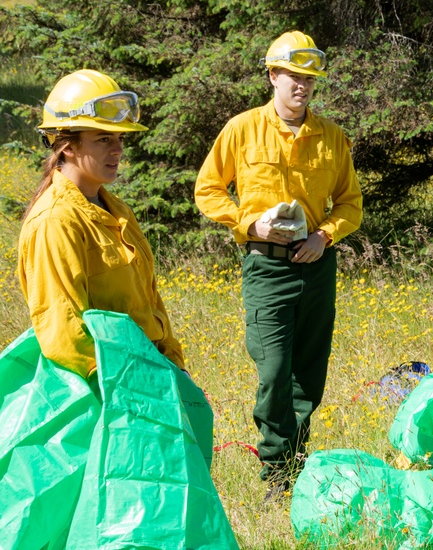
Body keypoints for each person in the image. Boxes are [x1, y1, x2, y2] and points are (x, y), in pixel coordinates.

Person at [195, 31, 363, 499]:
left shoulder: (332, 137)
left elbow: (351, 203)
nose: (302, 86)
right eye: (293, 76)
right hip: (266, 269)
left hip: (316, 268)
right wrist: (250, 224)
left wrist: (325, 234)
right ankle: (275, 471)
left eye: (309, 78)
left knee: (309, 373)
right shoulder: (242, 128)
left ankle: (295, 467)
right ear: (272, 76)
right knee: (273, 371)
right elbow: (207, 189)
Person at [18, 69, 185, 378]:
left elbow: (150, 303)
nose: (118, 149)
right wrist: (133, 386)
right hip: (114, 392)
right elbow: (65, 332)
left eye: (120, 137)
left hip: (153, 376)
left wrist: (175, 368)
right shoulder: (55, 221)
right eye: (104, 138)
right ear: (68, 146)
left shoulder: (117, 210)